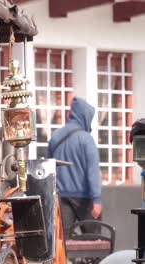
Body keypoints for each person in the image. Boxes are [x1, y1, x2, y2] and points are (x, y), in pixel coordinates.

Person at [47, 97, 102, 238]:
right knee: (94, 241)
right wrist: (96, 200)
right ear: (84, 116)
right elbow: (93, 172)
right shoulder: (86, 139)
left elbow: (48, 168)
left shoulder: (55, 137)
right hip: (84, 198)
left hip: (61, 197)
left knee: (62, 242)